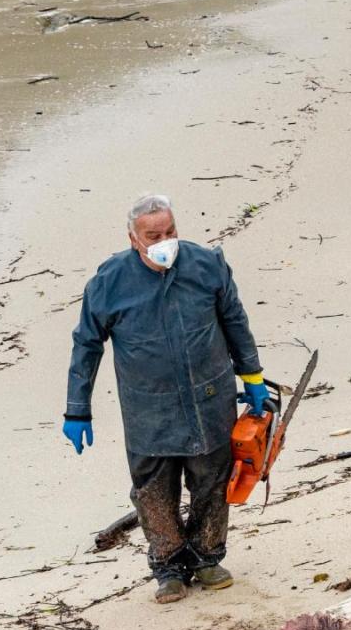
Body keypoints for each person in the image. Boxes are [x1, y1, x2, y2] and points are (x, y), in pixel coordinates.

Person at [63, 193, 266, 604]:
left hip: (210, 398)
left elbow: (234, 321)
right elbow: (87, 344)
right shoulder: (109, 283)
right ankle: (169, 567)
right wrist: (77, 410)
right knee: (153, 490)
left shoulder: (207, 265)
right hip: (147, 409)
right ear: (133, 238)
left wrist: (253, 376)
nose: (164, 240)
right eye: (153, 234)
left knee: (211, 480)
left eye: (170, 231)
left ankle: (208, 558)